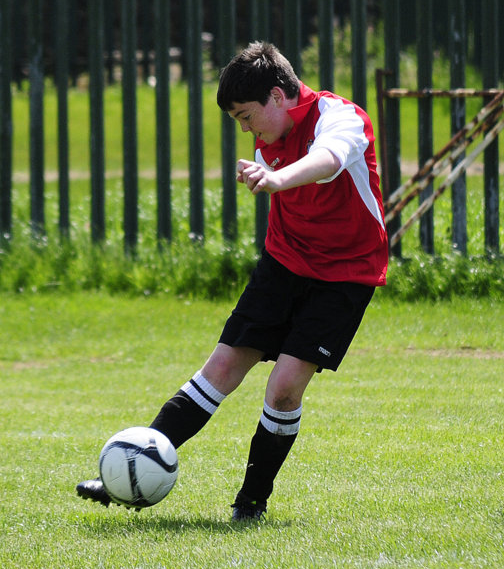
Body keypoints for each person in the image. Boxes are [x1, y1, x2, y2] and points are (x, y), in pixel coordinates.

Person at [76, 41, 389, 522]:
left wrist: (277, 180)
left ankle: (251, 503)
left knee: (284, 389)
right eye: (238, 120)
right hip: (284, 262)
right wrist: (270, 175)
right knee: (221, 367)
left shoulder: (340, 116)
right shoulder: (272, 122)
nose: (245, 128)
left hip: (344, 274)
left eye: (246, 116)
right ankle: (131, 468)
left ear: (278, 96)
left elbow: (328, 159)